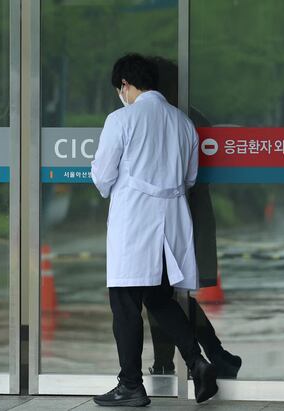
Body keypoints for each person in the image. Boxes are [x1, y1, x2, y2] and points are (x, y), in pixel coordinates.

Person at [91, 53, 218, 407]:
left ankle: (131, 385)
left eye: (120, 89)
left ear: (125, 85)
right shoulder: (183, 123)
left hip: (134, 223)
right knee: (160, 299)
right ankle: (197, 363)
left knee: (125, 305)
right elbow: (190, 178)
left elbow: (102, 177)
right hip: (170, 226)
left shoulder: (121, 120)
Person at [147, 56, 242, 379]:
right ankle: (209, 357)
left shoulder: (178, 120)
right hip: (183, 215)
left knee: (163, 294)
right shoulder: (190, 117)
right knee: (166, 294)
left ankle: (189, 360)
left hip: (178, 218)